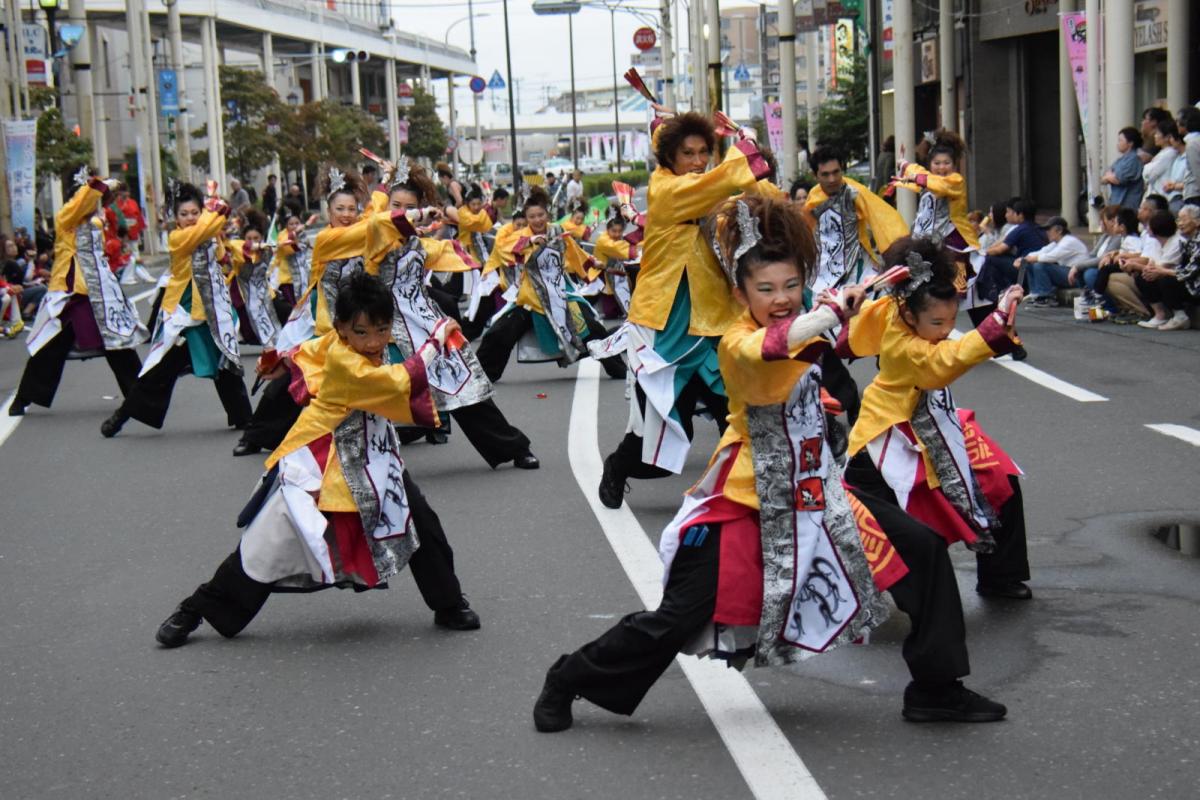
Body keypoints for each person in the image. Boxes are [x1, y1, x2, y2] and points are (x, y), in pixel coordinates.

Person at [533, 197, 1008, 733]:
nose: (780, 299)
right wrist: (826, 315)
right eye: (765, 290)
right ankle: (569, 677)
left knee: (921, 552)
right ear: (740, 294)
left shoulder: (812, 315)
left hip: (818, 493)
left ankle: (937, 689)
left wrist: (851, 306)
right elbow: (776, 348)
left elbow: (846, 332)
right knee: (678, 616)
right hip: (748, 498)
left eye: (789, 286)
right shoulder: (740, 342)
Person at [153, 272, 481, 648]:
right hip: (322, 456)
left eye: (382, 329)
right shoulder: (347, 361)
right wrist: (436, 343)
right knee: (270, 539)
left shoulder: (340, 341)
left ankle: (449, 602)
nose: (374, 342)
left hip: (373, 452)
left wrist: (287, 360)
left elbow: (310, 349)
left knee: (420, 519)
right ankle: (197, 608)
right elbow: (396, 382)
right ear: (342, 327)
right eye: (362, 332)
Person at [596, 111, 774, 509]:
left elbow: (760, 199)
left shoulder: (714, 192)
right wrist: (746, 155)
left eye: (703, 152)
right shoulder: (665, 190)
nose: (697, 161)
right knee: (661, 452)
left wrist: (764, 170)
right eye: (687, 153)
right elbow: (723, 181)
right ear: (668, 159)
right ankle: (618, 466)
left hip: (714, 328)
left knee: (742, 415)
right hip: (665, 335)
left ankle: (752, 495)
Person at [839, 238, 1032, 601]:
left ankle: (1000, 576)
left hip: (938, 420)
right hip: (888, 435)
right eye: (937, 322)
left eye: (950, 321)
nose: (945, 329)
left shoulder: (898, 306)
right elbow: (943, 363)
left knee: (1000, 479)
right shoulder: (902, 341)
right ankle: (883, 592)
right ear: (911, 315)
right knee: (888, 524)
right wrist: (995, 322)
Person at [364, 163, 540, 469]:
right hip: (382, 330)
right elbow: (379, 220)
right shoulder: (376, 237)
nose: (404, 212)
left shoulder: (422, 245)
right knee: (355, 396)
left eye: (411, 207)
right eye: (397, 206)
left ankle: (512, 447)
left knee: (464, 385)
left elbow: (458, 249)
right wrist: (393, 192)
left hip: (426, 325)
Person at [100, 182, 252, 437]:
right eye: (184, 214)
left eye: (194, 212)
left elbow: (223, 249)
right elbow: (206, 229)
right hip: (186, 312)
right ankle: (122, 415)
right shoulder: (178, 237)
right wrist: (217, 211)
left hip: (214, 309)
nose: (190, 218)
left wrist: (244, 250)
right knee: (161, 368)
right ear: (175, 218)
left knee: (226, 362)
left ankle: (244, 418)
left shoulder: (210, 231)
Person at [8, 170, 146, 417]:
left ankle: (140, 396)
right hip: (73, 293)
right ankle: (24, 396)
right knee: (50, 347)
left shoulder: (95, 221)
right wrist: (95, 187)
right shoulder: (65, 220)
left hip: (101, 292)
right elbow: (84, 201)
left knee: (119, 342)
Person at [474, 187, 625, 383]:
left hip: (561, 294)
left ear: (548, 214)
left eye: (540, 215)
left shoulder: (557, 231)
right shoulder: (521, 236)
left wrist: (591, 261)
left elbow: (573, 251)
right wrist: (530, 241)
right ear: (526, 218)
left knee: (592, 328)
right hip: (531, 297)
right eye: (532, 216)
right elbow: (504, 249)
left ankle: (619, 369)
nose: (537, 220)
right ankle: (482, 377)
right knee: (499, 333)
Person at [893, 130, 979, 292]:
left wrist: (914, 177)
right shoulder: (928, 180)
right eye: (937, 163)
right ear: (930, 164)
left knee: (955, 290)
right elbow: (919, 172)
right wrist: (904, 164)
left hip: (952, 242)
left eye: (946, 163)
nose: (941, 167)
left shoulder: (955, 180)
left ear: (954, 165)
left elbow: (938, 184)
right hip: (927, 241)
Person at [973, 198, 1047, 304]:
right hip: (1032, 268)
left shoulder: (1019, 229)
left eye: (1009, 212)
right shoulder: (1038, 227)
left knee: (990, 259)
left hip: (1025, 269)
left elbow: (1000, 249)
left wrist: (982, 253)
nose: (1006, 215)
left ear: (1020, 215)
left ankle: (1002, 289)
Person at [1126, 209, 1189, 330]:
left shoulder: (1177, 242)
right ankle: (1159, 314)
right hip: (1162, 273)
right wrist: (1143, 268)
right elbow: (1152, 264)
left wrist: (1137, 266)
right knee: (1143, 276)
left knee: (1164, 279)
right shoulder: (1156, 242)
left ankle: (1179, 315)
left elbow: (1162, 268)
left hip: (1181, 280)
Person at [1019, 216, 1091, 307]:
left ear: (1059, 230)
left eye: (1049, 229)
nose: (1047, 232)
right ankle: (1035, 294)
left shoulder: (1069, 241)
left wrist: (1027, 259)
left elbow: (1051, 257)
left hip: (1077, 276)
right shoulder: (1057, 242)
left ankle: (1046, 296)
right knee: (1031, 263)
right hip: (1067, 272)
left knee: (1040, 265)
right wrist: (1024, 258)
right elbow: (1042, 251)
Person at [1103, 127, 1145, 210]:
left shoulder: (1134, 159)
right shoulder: (1120, 160)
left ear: (1130, 143)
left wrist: (1111, 176)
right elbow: (1104, 178)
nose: (1118, 143)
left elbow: (1119, 179)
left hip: (1127, 203)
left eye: (1120, 140)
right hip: (1116, 202)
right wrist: (1110, 176)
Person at [1160, 122, 1195, 214]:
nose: (1170, 140)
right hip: (1172, 197)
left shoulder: (1188, 157)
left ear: (1178, 140)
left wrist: (1174, 186)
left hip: (1182, 198)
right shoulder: (1177, 158)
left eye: (1171, 137)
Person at [1143, 119, 1179, 201]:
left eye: (1158, 133)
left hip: (1161, 193)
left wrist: (1147, 167)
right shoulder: (1163, 153)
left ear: (1167, 137)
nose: (1155, 136)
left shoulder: (1170, 153)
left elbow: (1150, 174)